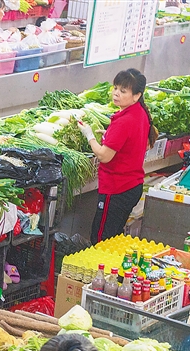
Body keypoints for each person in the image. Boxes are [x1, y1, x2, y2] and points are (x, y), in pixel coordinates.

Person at [78, 68, 158, 243]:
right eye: (115, 88)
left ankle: (101, 270)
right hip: (131, 186)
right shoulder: (139, 113)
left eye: (123, 91)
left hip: (117, 189)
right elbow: (128, 141)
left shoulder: (124, 121)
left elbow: (104, 156)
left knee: (101, 239)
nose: (116, 94)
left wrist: (89, 135)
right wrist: (109, 135)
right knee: (113, 237)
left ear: (136, 95)